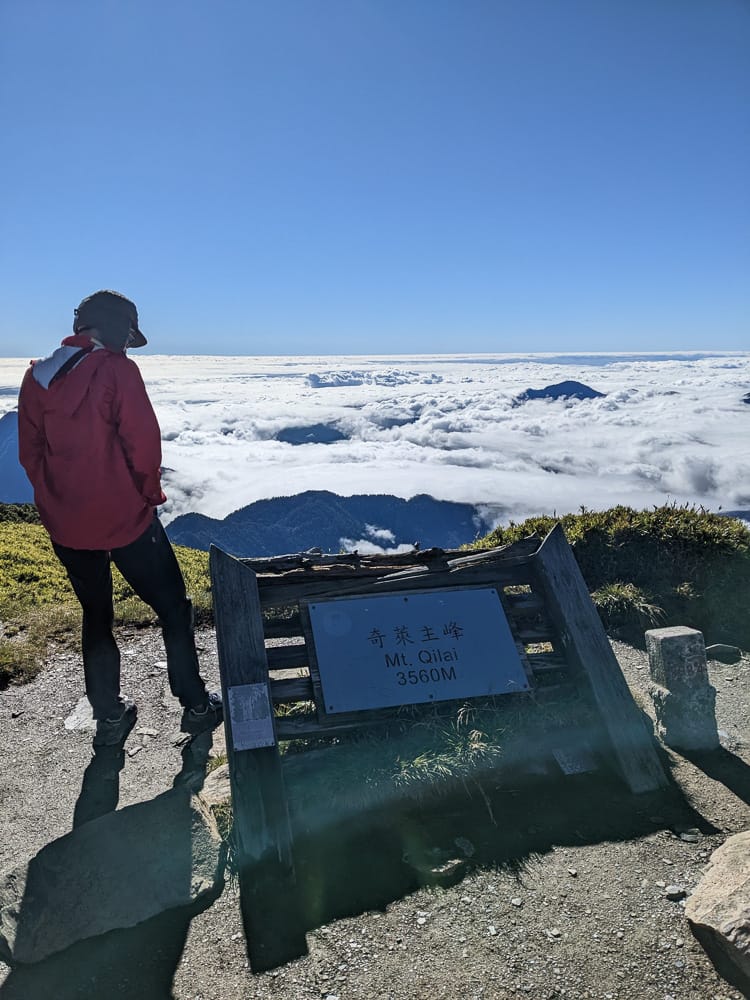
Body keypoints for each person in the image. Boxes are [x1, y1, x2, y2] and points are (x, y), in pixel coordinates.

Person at [17, 289, 222, 746]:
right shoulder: (116, 370)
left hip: (66, 522)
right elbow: (143, 445)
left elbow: (30, 452)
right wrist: (148, 495)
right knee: (173, 608)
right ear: (113, 329)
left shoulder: (36, 378)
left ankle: (108, 716)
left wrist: (55, 497)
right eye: (128, 335)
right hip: (125, 519)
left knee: (96, 613)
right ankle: (196, 705)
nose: (129, 345)